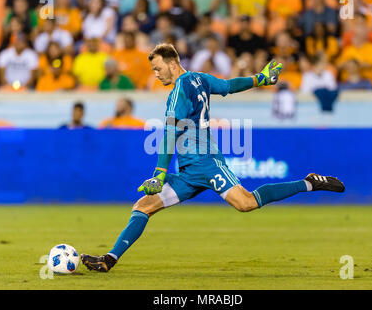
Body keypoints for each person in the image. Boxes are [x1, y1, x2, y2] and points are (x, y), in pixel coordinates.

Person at [80, 43, 345, 272]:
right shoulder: (200, 79)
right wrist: (261, 79)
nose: (156, 73)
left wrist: (159, 173)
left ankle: (310, 182)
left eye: (158, 68)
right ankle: (109, 259)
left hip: (206, 163)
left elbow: (170, 133)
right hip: (188, 172)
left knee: (246, 203)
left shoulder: (178, 92)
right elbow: (229, 85)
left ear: (173, 63)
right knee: (143, 206)